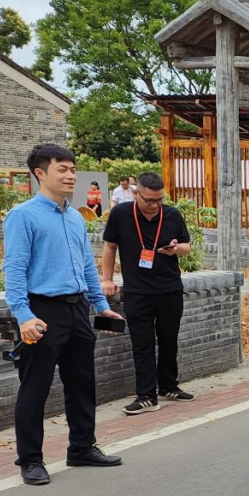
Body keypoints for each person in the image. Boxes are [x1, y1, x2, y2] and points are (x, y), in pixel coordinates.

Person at [2, 144, 124, 486]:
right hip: (41, 312)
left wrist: (101, 307)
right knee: (35, 389)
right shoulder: (22, 216)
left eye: (73, 169)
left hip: (77, 310)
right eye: (62, 169)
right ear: (40, 173)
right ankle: (30, 460)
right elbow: (14, 271)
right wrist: (23, 316)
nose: (71, 175)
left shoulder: (75, 216)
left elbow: (87, 266)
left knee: (82, 383)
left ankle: (82, 448)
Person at [100, 171, 194, 415]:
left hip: (169, 289)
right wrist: (107, 279)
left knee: (169, 340)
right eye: (149, 200)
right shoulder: (121, 214)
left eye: (159, 200)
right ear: (135, 193)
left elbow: (186, 246)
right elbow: (110, 246)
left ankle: (168, 386)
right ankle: (146, 396)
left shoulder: (172, 214)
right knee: (142, 344)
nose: (154, 205)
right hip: (137, 291)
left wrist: (175, 250)